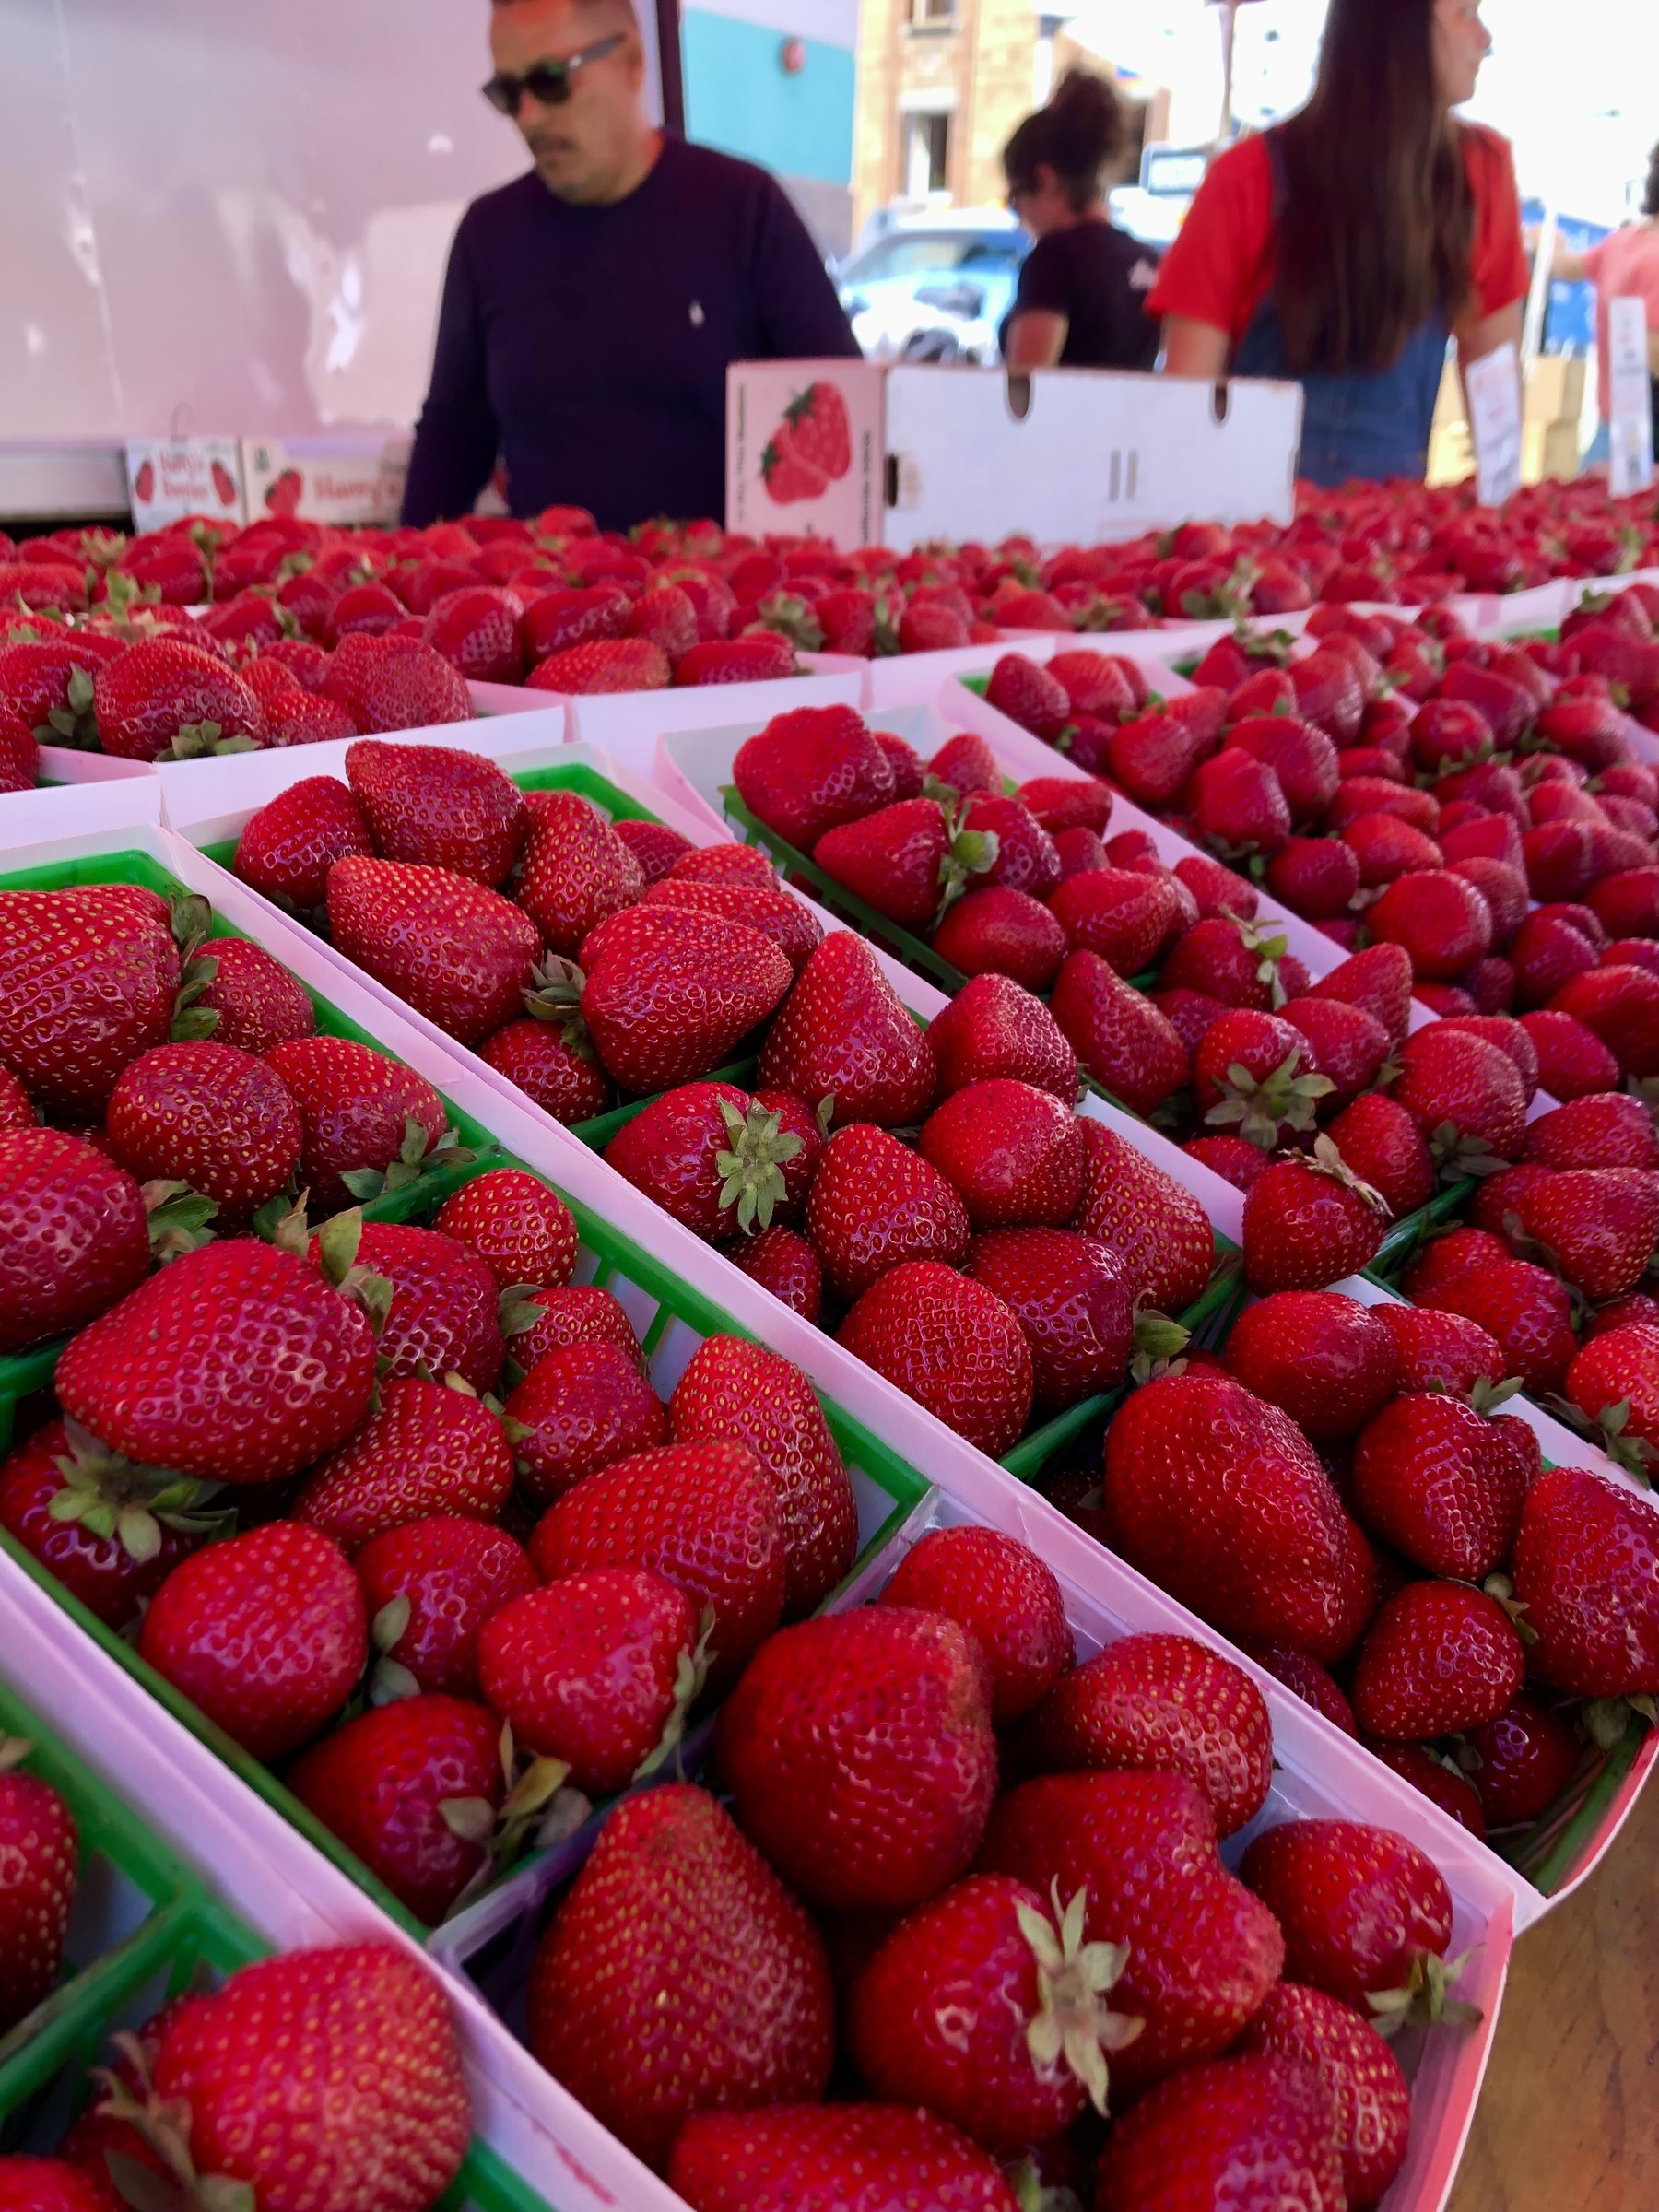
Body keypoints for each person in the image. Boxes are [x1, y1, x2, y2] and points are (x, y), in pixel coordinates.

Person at [401, 0, 860, 532]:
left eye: (552, 81)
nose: (529, 115)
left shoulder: (742, 209)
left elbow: (841, 401)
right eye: (508, 92)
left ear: (633, 63)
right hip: (551, 603)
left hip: (721, 600)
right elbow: (452, 437)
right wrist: (400, 576)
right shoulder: (488, 236)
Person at [1148, 0, 1527, 488]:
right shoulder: (1245, 180)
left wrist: (1503, 515)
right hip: (1254, 542)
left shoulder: (1481, 172)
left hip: (1385, 545)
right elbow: (1185, 412)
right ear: (1399, 28)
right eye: (1466, 13)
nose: (1486, 39)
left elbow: (1498, 420)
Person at [999, 70, 1160, 372]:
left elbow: (1025, 387)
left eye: (1015, 196)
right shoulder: (1147, 260)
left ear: (1045, 180)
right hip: (1131, 419)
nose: (1016, 215)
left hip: (1068, 420)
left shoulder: (1053, 259)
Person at [1546, 146, 1659, 463]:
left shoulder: (1624, 241)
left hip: (1608, 434)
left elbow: (1569, 267)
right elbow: (1653, 354)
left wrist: (1553, 243)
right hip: (1644, 446)